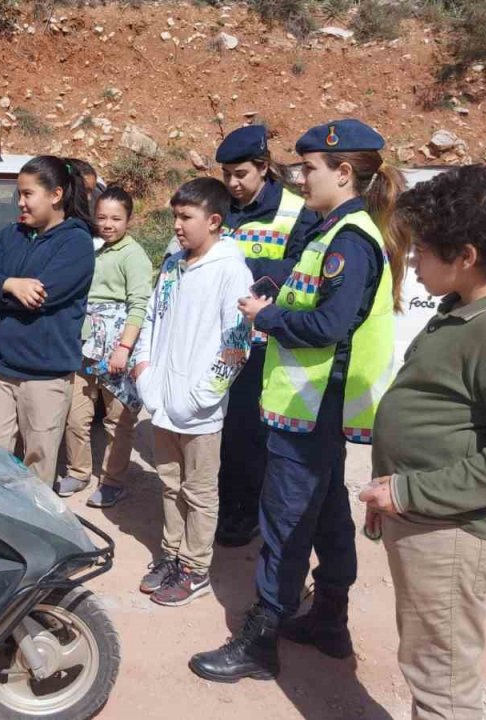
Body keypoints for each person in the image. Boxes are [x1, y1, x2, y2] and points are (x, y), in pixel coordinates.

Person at [191, 119, 404, 682]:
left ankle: (260, 641)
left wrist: (269, 316)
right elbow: (306, 280)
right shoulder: (333, 228)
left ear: (342, 172)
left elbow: (331, 322)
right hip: (315, 407)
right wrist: (272, 281)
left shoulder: (351, 239)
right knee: (329, 512)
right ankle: (330, 621)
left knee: (284, 521)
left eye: (309, 168)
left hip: (313, 407)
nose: (301, 177)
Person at [363, 165, 486, 720]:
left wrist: (408, 493)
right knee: (428, 662)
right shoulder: (464, 310)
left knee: (441, 682)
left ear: (466, 256)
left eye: (423, 249)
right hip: (432, 523)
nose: (413, 259)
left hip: (454, 534)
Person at [131, 179, 253, 606]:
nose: (177, 226)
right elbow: (151, 320)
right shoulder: (171, 265)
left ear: (214, 221)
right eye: (175, 216)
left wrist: (202, 396)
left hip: (199, 412)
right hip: (162, 401)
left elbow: (237, 343)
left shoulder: (230, 269)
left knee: (199, 493)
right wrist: (144, 373)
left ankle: (195, 567)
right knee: (169, 484)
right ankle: (171, 554)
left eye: (186, 218)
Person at [214, 125, 319, 547]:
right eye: (226, 175)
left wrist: (250, 277)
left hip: (262, 344)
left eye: (240, 174)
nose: (233, 184)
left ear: (263, 167)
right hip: (219, 339)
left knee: (246, 434)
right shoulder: (223, 208)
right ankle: (219, 503)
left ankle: (242, 514)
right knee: (214, 429)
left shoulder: (298, 212)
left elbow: (302, 268)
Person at [0, 156, 96, 486]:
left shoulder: (76, 243)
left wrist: (0, 289)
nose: (20, 203)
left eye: (27, 194)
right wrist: (10, 284)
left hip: (45, 375)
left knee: (36, 467)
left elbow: (40, 298)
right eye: (19, 195)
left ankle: (32, 531)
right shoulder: (12, 234)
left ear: (55, 195)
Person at [59, 186, 153, 507]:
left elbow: (139, 305)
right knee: (76, 412)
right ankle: (78, 470)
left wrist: (124, 348)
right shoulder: (91, 249)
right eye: (102, 217)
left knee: (118, 418)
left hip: (116, 346)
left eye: (116, 218)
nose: (108, 224)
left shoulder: (134, 255)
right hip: (85, 344)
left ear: (129, 220)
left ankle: (113, 480)